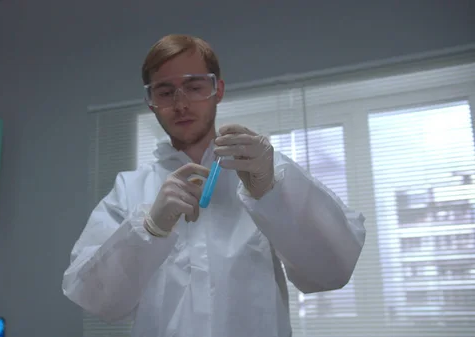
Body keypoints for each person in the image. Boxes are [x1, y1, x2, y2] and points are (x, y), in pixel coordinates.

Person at [62, 34, 366, 337]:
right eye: (165, 92)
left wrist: (272, 193)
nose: (180, 104)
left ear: (217, 90)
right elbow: (96, 299)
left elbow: (331, 271)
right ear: (151, 102)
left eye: (194, 87)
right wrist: (149, 229)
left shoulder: (264, 169)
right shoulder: (131, 189)